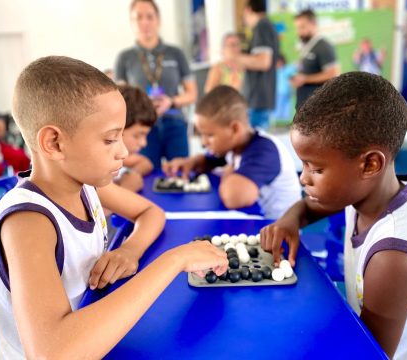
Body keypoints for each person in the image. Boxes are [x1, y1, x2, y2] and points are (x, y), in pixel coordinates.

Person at [0, 56, 228, 359]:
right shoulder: (28, 223)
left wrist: (130, 251)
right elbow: (53, 353)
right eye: (110, 139)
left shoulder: (87, 186)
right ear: (54, 143)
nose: (124, 151)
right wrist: (174, 261)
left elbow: (150, 213)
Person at [260, 72, 407, 359]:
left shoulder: (394, 257)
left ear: (370, 164)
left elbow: (367, 354)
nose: (303, 179)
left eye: (316, 169)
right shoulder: (370, 193)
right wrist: (288, 222)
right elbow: (308, 207)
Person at [163, 85, 301, 220]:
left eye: (209, 135)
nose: (203, 143)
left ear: (235, 129)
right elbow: (208, 160)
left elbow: (233, 197)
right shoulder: (236, 145)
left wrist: (228, 172)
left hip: (279, 233)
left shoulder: (264, 150)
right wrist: (190, 162)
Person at [114, 0, 197, 169]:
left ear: (158, 20)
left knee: (181, 172)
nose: (144, 22)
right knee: (146, 175)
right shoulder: (124, 57)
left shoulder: (176, 53)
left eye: (149, 17)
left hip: (174, 122)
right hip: (142, 129)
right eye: (138, 18)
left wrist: (171, 102)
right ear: (132, 22)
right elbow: (120, 99)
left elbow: (192, 93)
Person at [235, 0, 279, 130]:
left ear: (248, 10)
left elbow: (263, 62)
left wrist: (235, 57)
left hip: (258, 100)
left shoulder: (262, 26)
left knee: (256, 143)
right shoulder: (265, 26)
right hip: (258, 99)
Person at [291, 9, 339, 109]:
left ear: (314, 24)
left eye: (302, 27)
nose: (299, 31)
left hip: (317, 108)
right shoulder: (306, 46)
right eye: (297, 28)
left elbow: (334, 73)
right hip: (304, 106)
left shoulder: (323, 46)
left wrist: (305, 79)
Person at [116, 84, 157, 192]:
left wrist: (130, 174)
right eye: (137, 135)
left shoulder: (119, 159)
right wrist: (127, 189)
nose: (144, 143)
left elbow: (145, 162)